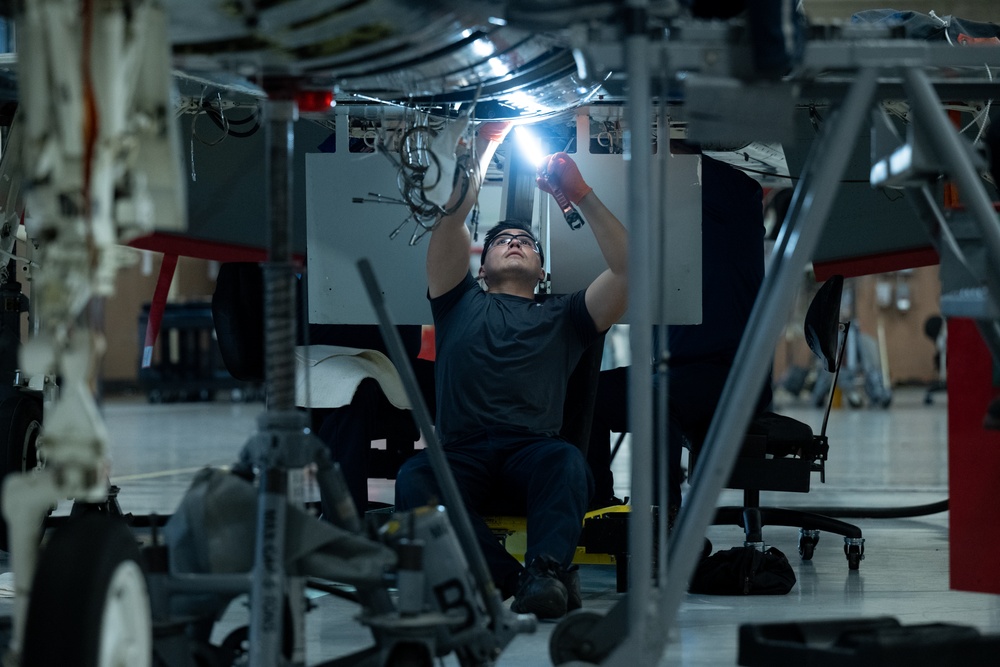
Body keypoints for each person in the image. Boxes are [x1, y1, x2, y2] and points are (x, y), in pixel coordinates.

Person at [394, 121, 628, 620]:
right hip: (461, 453)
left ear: (543, 271)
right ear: (481, 267)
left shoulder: (566, 315)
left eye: (526, 241)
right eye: (503, 240)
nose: (516, 241)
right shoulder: (456, 302)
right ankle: (513, 578)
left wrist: (580, 193)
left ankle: (543, 570)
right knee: (415, 479)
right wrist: (484, 147)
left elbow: (631, 269)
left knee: (570, 464)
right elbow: (451, 222)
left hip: (532, 453)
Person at [586, 151, 772, 520]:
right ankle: (597, 506)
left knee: (655, 398)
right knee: (588, 393)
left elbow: (701, 174)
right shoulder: (666, 246)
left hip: (730, 375)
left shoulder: (735, 210)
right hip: (673, 373)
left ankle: (662, 515)